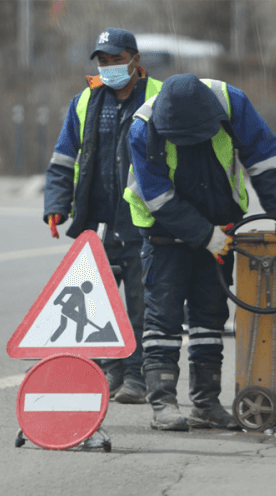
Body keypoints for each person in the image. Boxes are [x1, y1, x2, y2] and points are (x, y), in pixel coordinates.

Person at [124, 73, 276, 431]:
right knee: (163, 319)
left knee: (210, 317)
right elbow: (157, 196)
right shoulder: (142, 128)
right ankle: (163, 404)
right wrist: (204, 235)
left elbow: (263, 155)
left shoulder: (232, 103)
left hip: (221, 227)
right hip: (164, 233)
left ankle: (206, 404)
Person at [43, 28, 162, 404]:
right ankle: (110, 372)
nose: (109, 68)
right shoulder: (86, 101)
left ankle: (137, 377)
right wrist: (56, 204)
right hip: (99, 224)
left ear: (135, 60)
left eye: (116, 60)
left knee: (142, 308)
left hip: (144, 224)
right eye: (103, 61)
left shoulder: (160, 97)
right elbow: (64, 158)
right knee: (98, 307)